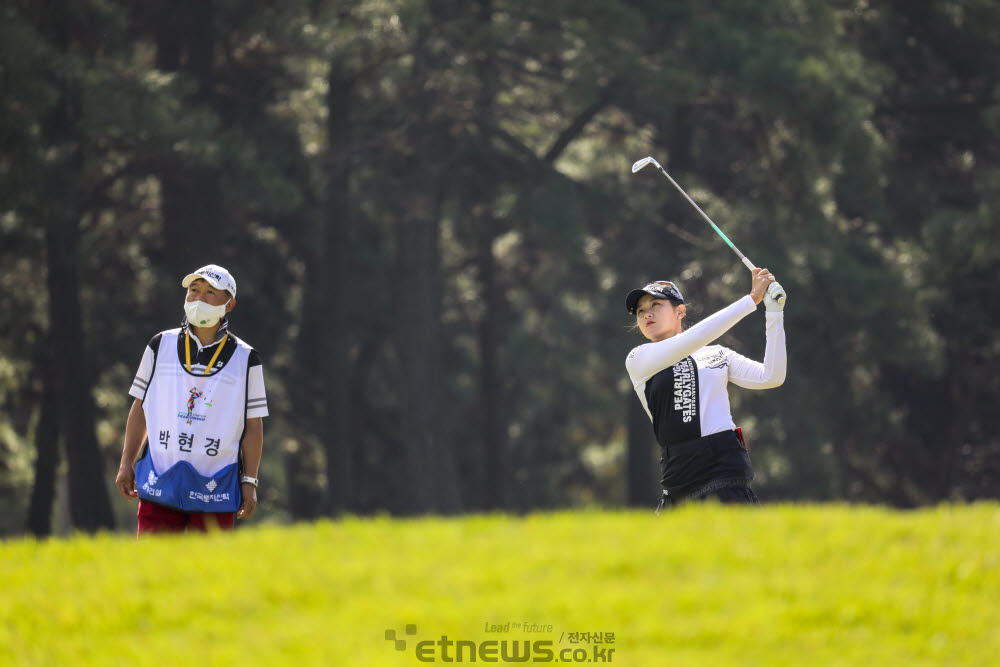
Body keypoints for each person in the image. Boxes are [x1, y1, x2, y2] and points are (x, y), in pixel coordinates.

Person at [115, 264, 268, 535]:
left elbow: (253, 425)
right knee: (153, 568)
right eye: (194, 290)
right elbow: (140, 407)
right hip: (160, 477)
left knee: (208, 573)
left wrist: (250, 481)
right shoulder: (159, 344)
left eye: (210, 292)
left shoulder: (247, 358)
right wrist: (126, 463)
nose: (199, 298)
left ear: (229, 304)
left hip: (216, 486)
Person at [625, 269, 786, 509]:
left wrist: (774, 314)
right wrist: (752, 298)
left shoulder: (717, 353)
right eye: (640, 311)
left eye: (655, 305)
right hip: (679, 472)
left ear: (680, 311)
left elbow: (771, 376)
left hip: (724, 464)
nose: (646, 313)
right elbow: (690, 341)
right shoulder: (639, 358)